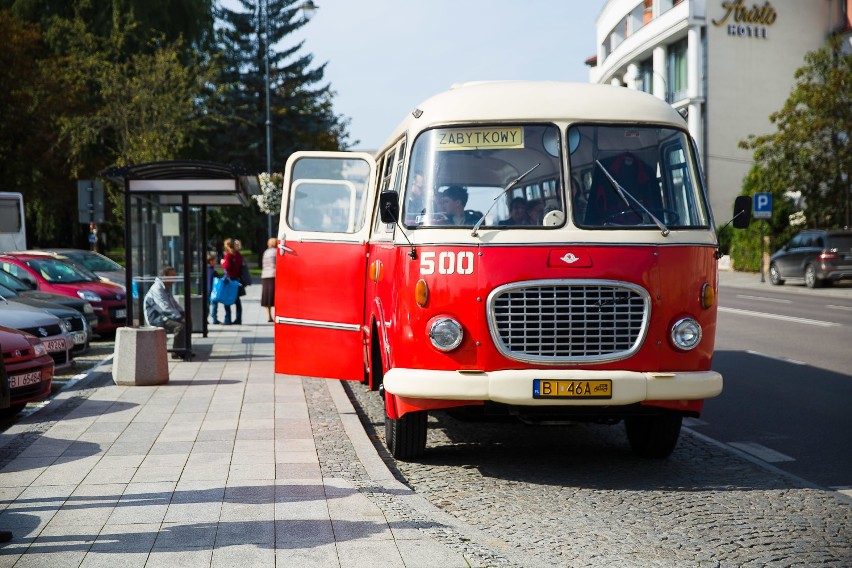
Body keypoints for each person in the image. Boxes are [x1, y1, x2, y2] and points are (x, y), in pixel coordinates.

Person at [144, 266, 189, 360]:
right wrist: (180, 318)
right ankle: (177, 352)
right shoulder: (157, 289)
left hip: (164, 315)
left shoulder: (165, 287)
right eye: (173, 275)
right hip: (156, 317)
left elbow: (174, 304)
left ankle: (185, 349)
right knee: (180, 326)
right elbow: (164, 307)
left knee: (187, 321)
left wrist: (183, 313)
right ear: (165, 276)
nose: (175, 278)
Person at [222, 238, 244, 325]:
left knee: (226, 299)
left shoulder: (228, 255)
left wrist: (222, 263)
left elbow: (226, 266)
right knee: (237, 300)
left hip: (229, 279)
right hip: (236, 278)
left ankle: (228, 319)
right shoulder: (237, 254)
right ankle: (238, 319)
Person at [260, 237, 277, 322]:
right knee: (275, 296)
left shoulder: (266, 252)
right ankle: (276, 314)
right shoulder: (276, 252)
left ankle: (269, 316)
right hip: (274, 275)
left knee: (267, 297)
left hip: (265, 275)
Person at [206, 252, 221, 324]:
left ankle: (205, 318)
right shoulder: (213, 272)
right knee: (214, 305)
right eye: (215, 260)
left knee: (207, 306)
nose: (216, 262)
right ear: (211, 261)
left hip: (206, 290)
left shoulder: (206, 270)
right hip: (213, 291)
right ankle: (214, 318)